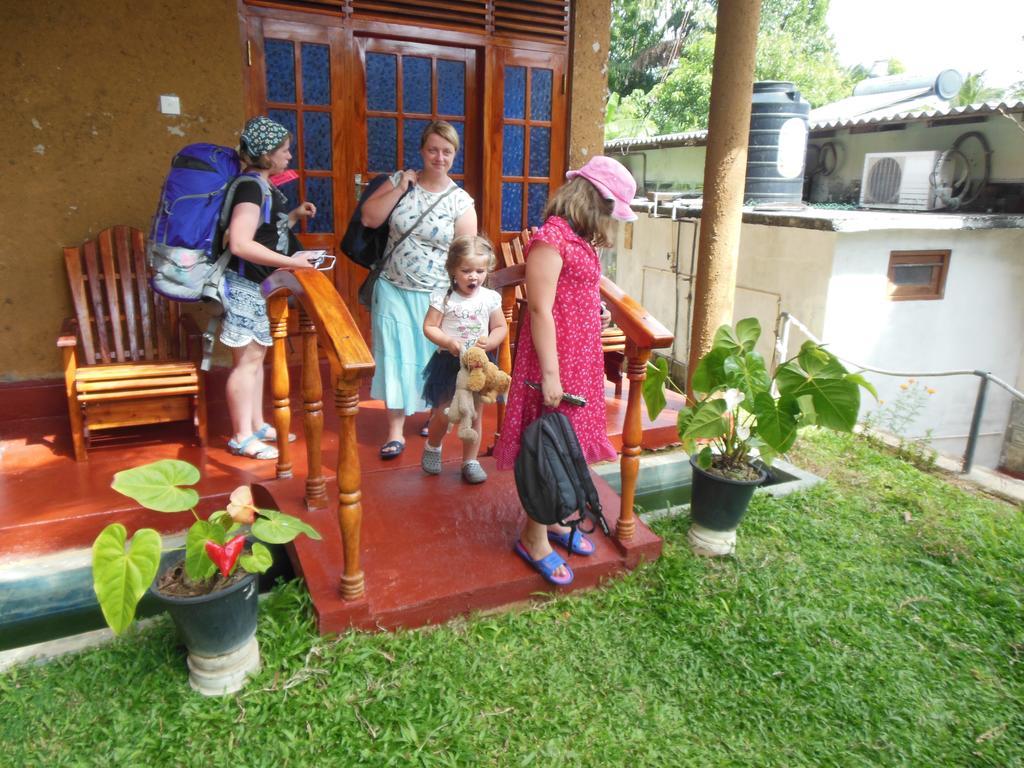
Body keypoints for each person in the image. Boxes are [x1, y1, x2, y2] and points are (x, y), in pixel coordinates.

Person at [493, 155, 638, 586]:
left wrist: (595, 315)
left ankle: (553, 519)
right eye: (610, 210)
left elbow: (573, 294)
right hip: (553, 361)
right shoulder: (551, 239)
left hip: (580, 357)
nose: (612, 220)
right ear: (594, 200)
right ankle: (532, 537)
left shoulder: (578, 239)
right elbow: (539, 309)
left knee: (566, 444)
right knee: (550, 449)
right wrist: (552, 376)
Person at [360, 120, 477, 459]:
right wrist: (400, 187)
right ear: (422, 151)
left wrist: (464, 297)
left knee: (432, 358)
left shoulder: (461, 201)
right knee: (393, 357)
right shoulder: (400, 183)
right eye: (433, 150)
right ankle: (395, 431)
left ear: (454, 155)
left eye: (447, 151)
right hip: (393, 287)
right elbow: (369, 218)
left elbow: (466, 253)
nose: (439, 157)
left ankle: (431, 413)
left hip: (436, 296)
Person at [222, 116, 317, 460]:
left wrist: (291, 217)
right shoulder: (250, 187)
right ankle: (241, 436)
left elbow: (263, 232)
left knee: (256, 358)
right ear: (266, 154)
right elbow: (240, 243)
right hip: (244, 283)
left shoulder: (262, 186)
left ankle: (257, 424)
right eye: (284, 150)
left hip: (256, 285)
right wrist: (294, 263)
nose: (289, 156)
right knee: (245, 362)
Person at [420, 235, 508, 484]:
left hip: (477, 365)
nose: (473, 276)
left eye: (480, 271)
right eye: (466, 270)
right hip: (448, 364)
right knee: (444, 413)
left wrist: (490, 342)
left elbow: (500, 326)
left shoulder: (489, 298)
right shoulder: (444, 298)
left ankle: (470, 461)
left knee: (475, 415)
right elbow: (429, 326)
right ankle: (433, 445)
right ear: (453, 270)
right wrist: (448, 342)